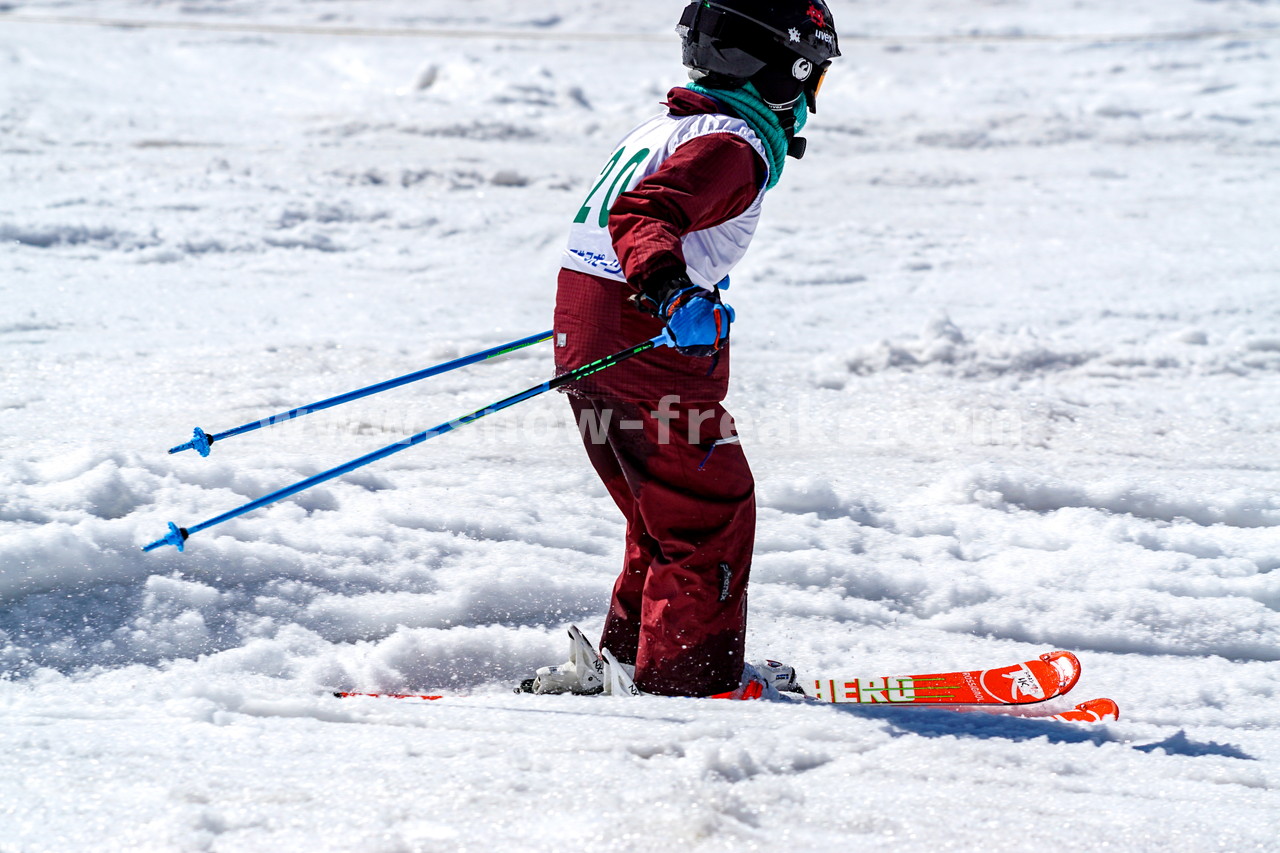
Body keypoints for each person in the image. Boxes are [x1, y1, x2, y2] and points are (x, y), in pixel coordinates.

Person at [532, 0, 841, 699]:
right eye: (812, 81)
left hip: (590, 332)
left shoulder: (671, 124)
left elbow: (623, 224)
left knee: (663, 510)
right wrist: (673, 290)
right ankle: (689, 683)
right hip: (645, 341)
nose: (809, 101)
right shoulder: (733, 145)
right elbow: (643, 215)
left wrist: (664, 291)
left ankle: (628, 662)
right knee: (710, 512)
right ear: (782, 71)